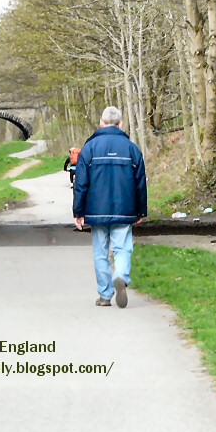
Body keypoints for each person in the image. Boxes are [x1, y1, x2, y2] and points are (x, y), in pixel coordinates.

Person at [72, 106, 147, 308]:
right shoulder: (132, 149)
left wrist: (79, 212)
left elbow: (81, 184)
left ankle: (105, 295)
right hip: (125, 209)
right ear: (121, 124)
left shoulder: (89, 149)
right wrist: (141, 211)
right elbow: (141, 182)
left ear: (101, 123)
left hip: (96, 211)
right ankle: (121, 275)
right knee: (122, 249)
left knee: (100, 252)